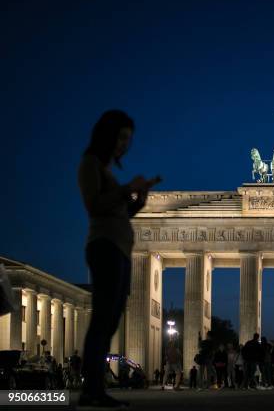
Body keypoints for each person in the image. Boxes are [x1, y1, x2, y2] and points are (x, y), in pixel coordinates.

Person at [78, 110, 160, 407]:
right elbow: (94, 205)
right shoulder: (90, 165)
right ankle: (92, 390)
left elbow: (120, 214)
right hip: (105, 247)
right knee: (102, 320)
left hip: (120, 250)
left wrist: (140, 201)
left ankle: (97, 389)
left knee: (110, 321)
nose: (125, 144)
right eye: (122, 137)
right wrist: (128, 189)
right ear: (107, 134)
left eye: (128, 139)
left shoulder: (109, 172)